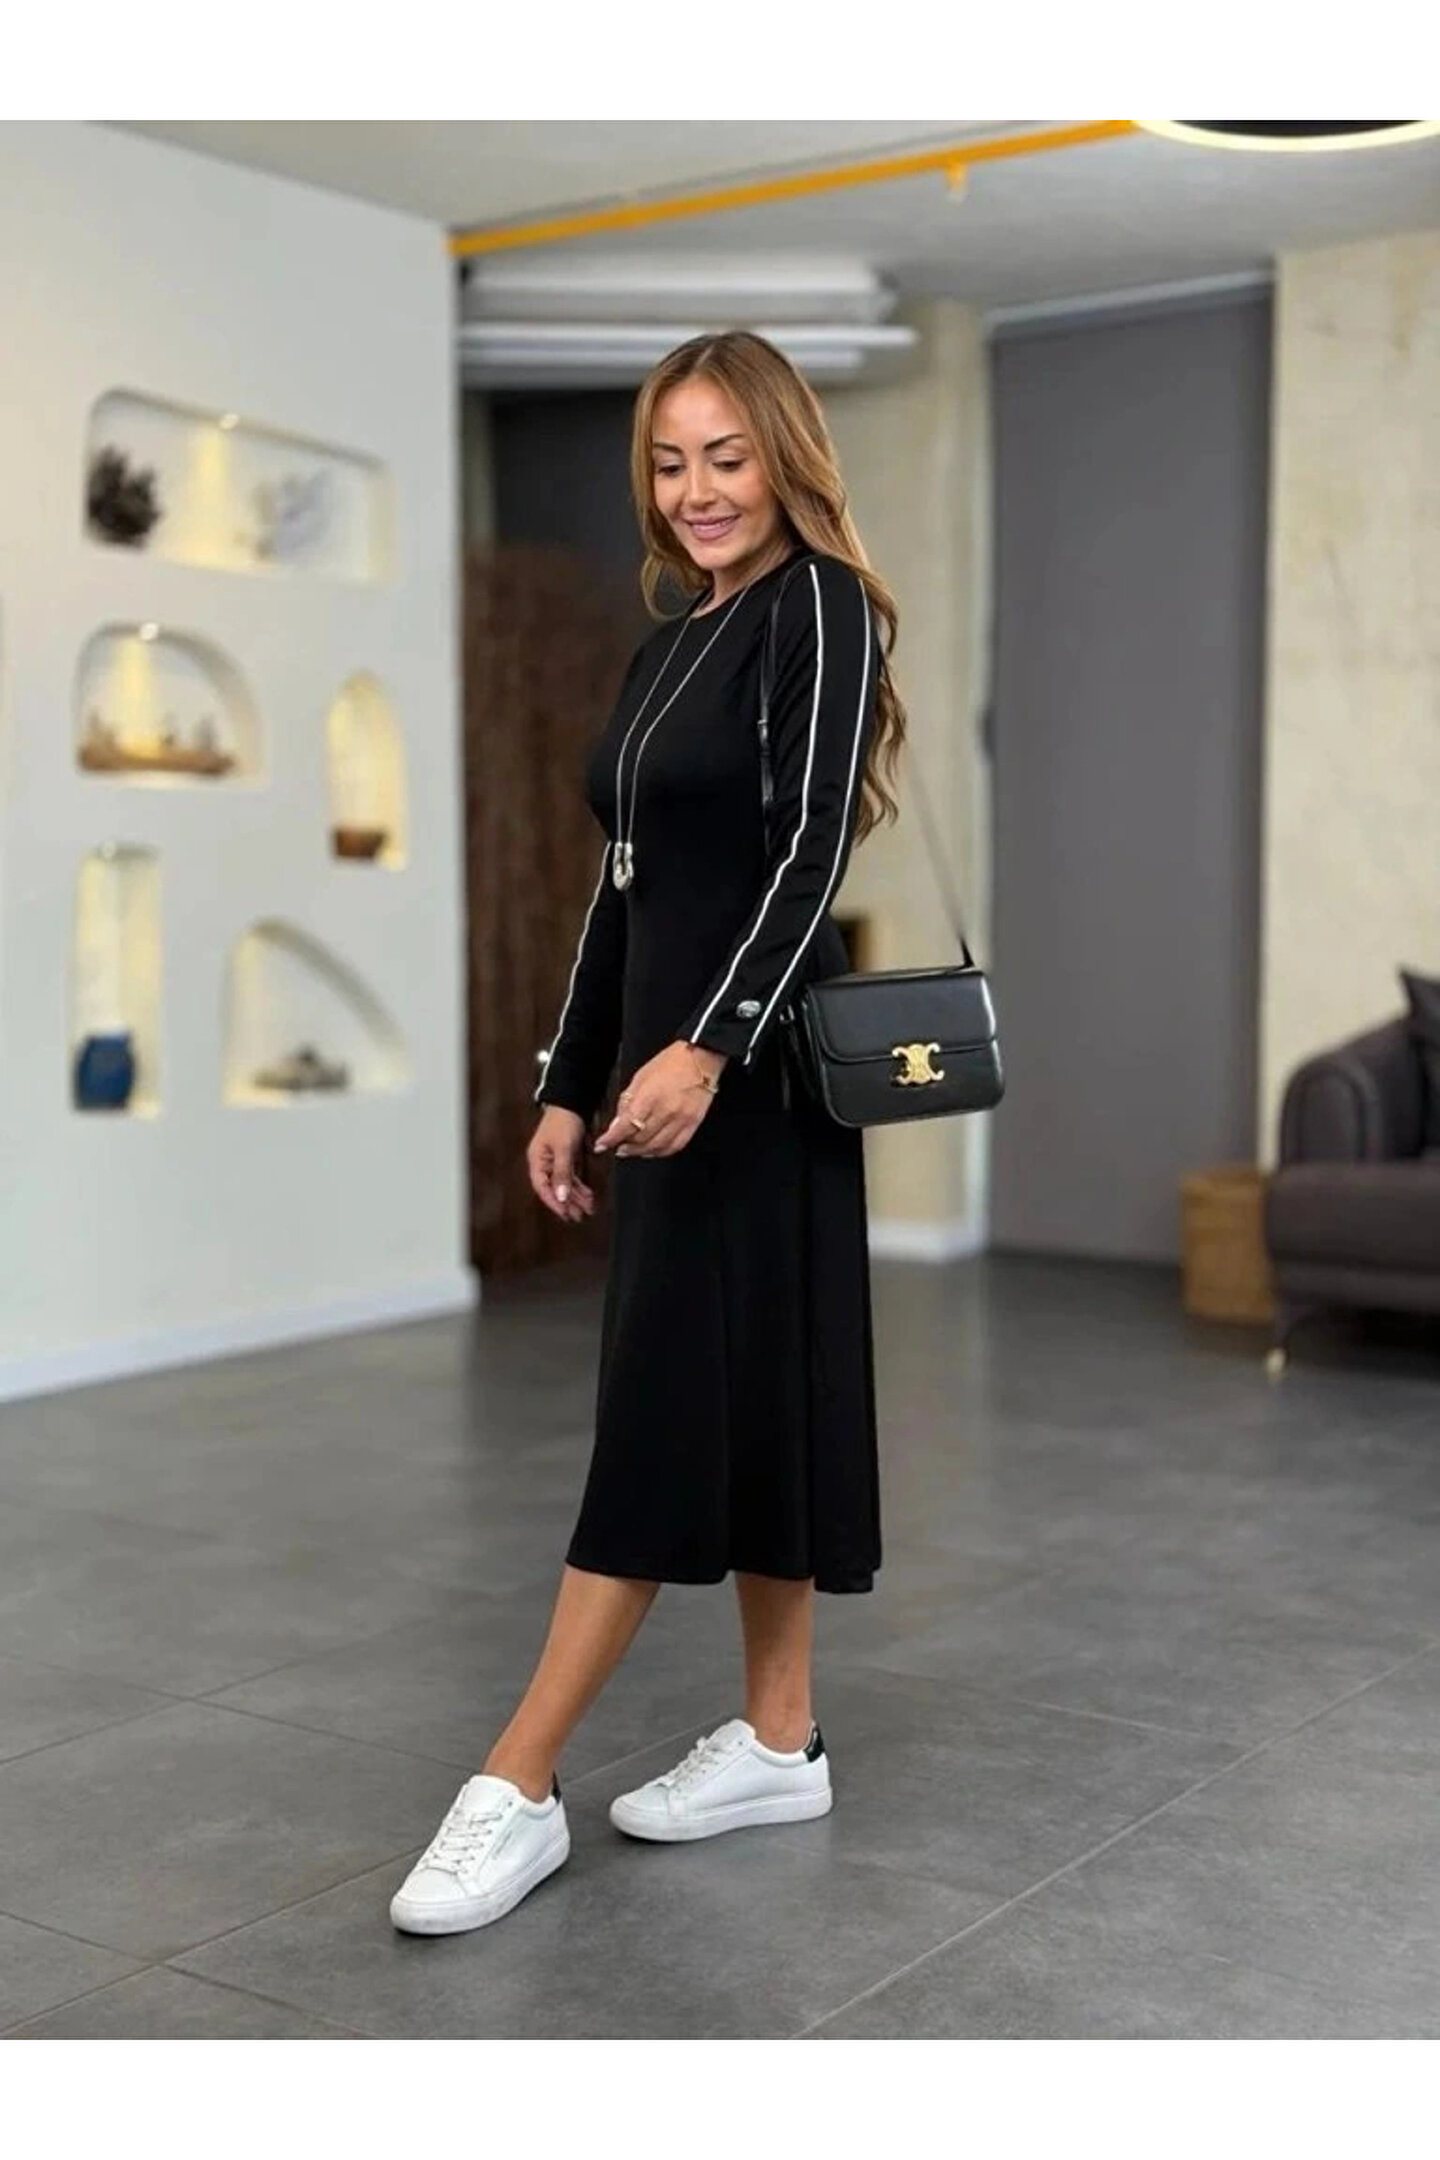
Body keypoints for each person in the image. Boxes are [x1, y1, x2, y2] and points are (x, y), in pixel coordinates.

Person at [391, 328, 906, 1936]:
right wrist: (568, 1074)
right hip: (658, 1085)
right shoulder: (675, 638)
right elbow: (624, 889)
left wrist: (711, 1046)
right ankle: (778, 1740)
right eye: (671, 462)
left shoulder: (823, 607)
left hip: (748, 1086)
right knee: (748, 1400)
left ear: (785, 457)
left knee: (662, 1414)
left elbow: (811, 855)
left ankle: (518, 1783)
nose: (697, 491)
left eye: (726, 457)